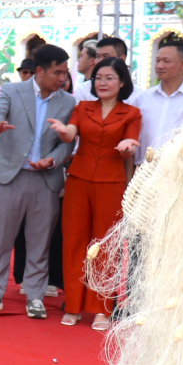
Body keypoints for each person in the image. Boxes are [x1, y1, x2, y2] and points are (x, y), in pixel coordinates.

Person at [0, 44, 76, 316]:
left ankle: (35, 296)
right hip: (10, 177)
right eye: (57, 72)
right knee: (0, 239)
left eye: (65, 73)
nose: (62, 78)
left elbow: (68, 143)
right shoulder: (12, 90)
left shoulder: (68, 102)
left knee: (40, 242)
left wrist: (52, 159)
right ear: (39, 71)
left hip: (45, 180)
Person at [49, 57, 140, 330]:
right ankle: (73, 305)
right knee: (73, 242)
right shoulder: (82, 107)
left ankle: (101, 309)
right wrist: (64, 132)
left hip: (112, 184)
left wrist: (127, 146)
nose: (102, 82)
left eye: (109, 78)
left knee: (105, 247)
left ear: (122, 82)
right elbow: (71, 133)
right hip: (78, 180)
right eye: (98, 77)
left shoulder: (132, 113)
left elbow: (131, 145)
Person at [134, 33, 183, 166]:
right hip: (144, 171)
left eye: (166, 61)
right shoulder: (144, 97)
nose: (160, 66)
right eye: (158, 60)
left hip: (178, 170)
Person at [73, 36, 144, 107]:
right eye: (97, 56)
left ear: (122, 59)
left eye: (105, 56)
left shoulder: (138, 95)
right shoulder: (83, 89)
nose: (99, 61)